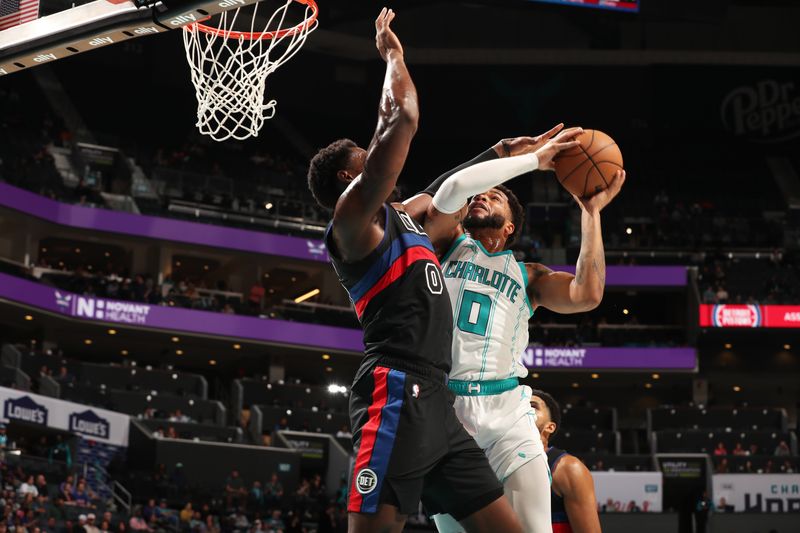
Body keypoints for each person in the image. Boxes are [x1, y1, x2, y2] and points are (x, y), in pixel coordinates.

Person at [307, 8, 527, 533]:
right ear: (348, 177)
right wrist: (392, 55)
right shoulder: (353, 221)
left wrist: (503, 153)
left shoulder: (406, 217)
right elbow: (401, 119)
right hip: (396, 387)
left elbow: (451, 188)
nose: (376, 150)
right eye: (367, 154)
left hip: (439, 400)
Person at [416, 126, 621, 532]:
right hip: (445, 411)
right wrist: (512, 157)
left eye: (494, 196)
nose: (482, 197)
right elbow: (451, 193)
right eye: (481, 194)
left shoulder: (528, 275)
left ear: (510, 227)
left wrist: (590, 213)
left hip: (507, 408)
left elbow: (587, 294)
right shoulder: (444, 244)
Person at [530, 390, 601, 533]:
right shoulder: (490, 462)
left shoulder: (568, 468)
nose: (523, 409)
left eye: (532, 406)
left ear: (550, 427)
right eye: (518, 405)